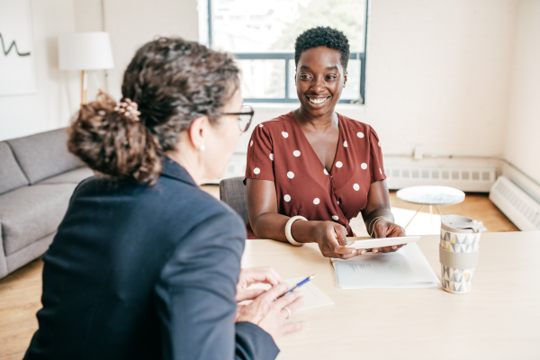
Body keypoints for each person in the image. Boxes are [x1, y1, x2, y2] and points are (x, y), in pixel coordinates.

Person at [24, 37, 306, 360]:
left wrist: (207, 287)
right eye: (237, 116)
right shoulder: (210, 224)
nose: (240, 130)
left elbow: (106, 303)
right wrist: (256, 330)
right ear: (199, 131)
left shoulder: (89, 191)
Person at [245, 27, 405, 259]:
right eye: (306, 76)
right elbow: (261, 220)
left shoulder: (365, 136)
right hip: (280, 257)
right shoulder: (268, 134)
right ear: (296, 77)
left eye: (329, 76)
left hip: (341, 256)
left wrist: (382, 223)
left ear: (344, 78)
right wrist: (313, 230)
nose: (317, 87)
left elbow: (377, 208)